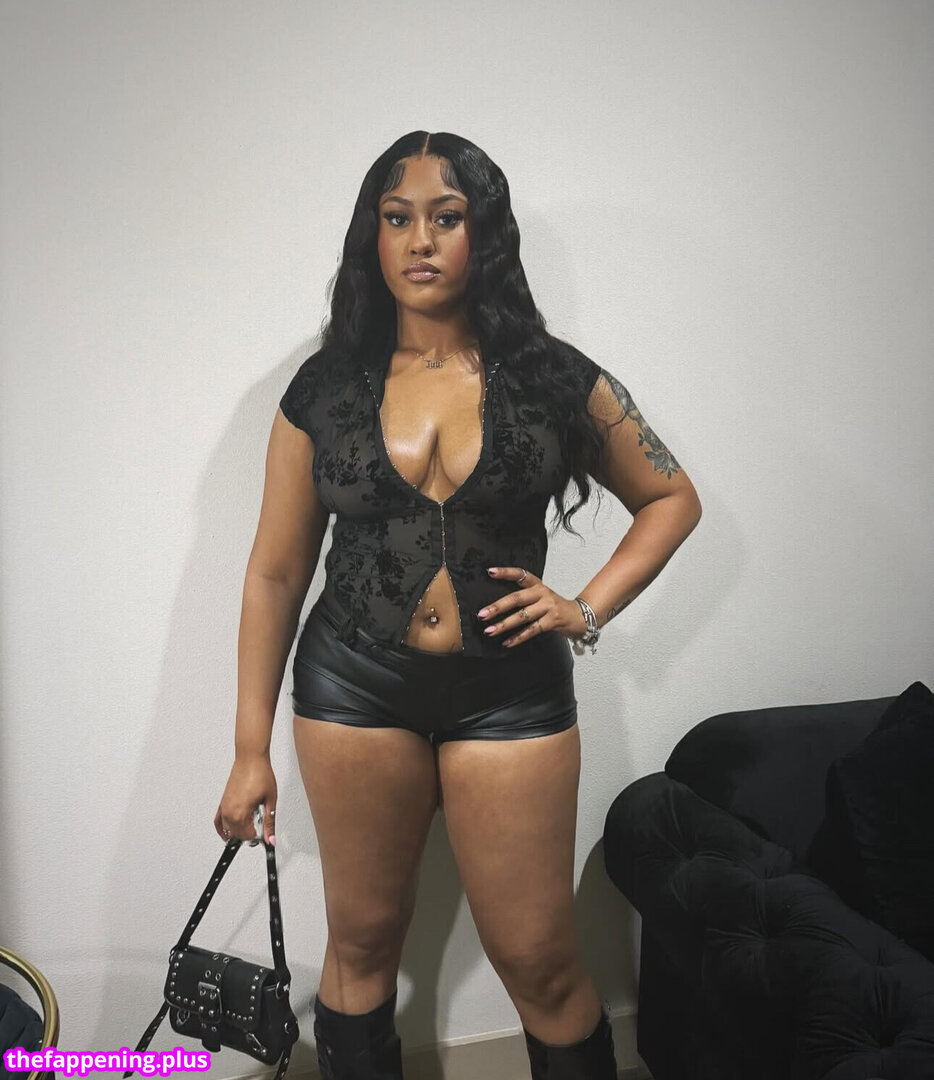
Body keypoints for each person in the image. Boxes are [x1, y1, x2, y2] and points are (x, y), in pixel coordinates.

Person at [214, 131, 702, 1080]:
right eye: (397, 218)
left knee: (540, 958)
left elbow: (671, 497)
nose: (420, 240)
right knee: (361, 945)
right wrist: (247, 750)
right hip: (353, 687)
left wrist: (586, 608)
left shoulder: (554, 376)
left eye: (447, 218)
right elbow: (274, 573)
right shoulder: (324, 388)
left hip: (510, 695)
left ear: (486, 234)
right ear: (372, 235)